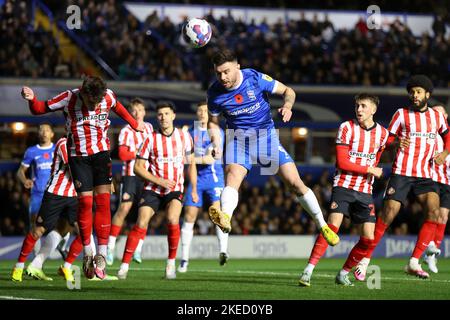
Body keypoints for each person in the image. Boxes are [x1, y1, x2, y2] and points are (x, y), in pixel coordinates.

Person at [205, 50, 339, 247]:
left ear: (237, 66)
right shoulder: (214, 93)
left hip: (265, 138)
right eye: (218, 73)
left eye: (226, 71)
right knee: (232, 177)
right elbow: (213, 122)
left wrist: (288, 106)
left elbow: (288, 91)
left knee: (295, 183)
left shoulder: (255, 78)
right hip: (238, 140)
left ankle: (322, 225)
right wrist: (216, 142)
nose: (222, 77)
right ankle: (225, 217)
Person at [21, 76, 144, 280]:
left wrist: (133, 124)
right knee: (86, 204)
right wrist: (32, 98)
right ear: (83, 93)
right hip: (78, 158)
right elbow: (40, 109)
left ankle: (102, 255)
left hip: (101, 155)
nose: (94, 106)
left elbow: (120, 108)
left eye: (97, 103)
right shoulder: (69, 97)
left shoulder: (108, 97)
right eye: (90, 102)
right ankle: (88, 253)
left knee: (103, 202)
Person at [354, 75, 450, 280]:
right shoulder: (401, 114)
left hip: (426, 174)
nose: (414, 95)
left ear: (427, 95)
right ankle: (364, 260)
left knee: (433, 211)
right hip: (402, 172)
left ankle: (414, 262)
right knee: (388, 214)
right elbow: (387, 138)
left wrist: (444, 153)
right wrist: (396, 141)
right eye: (412, 92)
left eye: (418, 92)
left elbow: (447, 134)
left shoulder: (436, 116)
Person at [298, 94, 389, 287]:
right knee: (332, 226)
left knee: (367, 239)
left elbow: (381, 152)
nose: (359, 109)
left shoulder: (382, 133)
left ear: (373, 110)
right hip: (344, 185)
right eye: (357, 106)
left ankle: (343, 273)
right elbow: (342, 162)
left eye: (364, 106)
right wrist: (369, 169)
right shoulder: (346, 128)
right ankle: (308, 270)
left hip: (365, 190)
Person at [117, 101, 197, 280]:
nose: (163, 118)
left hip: (175, 189)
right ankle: (124, 266)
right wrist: (158, 180)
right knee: (141, 222)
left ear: (173, 116)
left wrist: (194, 188)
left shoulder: (185, 137)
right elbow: (138, 167)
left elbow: (191, 164)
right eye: (160, 115)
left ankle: (170, 265)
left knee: (172, 219)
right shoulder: (150, 138)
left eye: (167, 114)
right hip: (152, 188)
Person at [12, 136, 78, 282]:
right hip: (55, 193)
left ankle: (63, 266)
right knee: (38, 230)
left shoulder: (86, 144)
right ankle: (19, 267)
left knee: (77, 231)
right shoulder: (63, 143)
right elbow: (74, 166)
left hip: (73, 195)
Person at [178, 101, 228, 273]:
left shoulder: (216, 132)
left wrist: (191, 159)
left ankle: (223, 251)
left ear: (209, 113)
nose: (201, 113)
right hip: (195, 180)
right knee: (189, 216)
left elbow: (209, 159)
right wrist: (190, 159)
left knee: (217, 214)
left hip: (214, 178)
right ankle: (184, 259)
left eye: (205, 111)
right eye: (199, 110)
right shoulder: (191, 133)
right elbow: (185, 159)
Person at [106, 98, 153, 266]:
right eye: (133, 110)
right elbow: (123, 155)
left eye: (140, 110)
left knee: (144, 213)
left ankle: (138, 249)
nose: (137, 113)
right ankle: (110, 248)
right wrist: (141, 152)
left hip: (147, 175)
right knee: (124, 208)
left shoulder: (149, 128)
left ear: (144, 112)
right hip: (130, 175)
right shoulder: (126, 130)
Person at [17, 122, 56, 255]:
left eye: (47, 130)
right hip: (38, 194)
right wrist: (25, 180)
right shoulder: (32, 151)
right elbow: (20, 171)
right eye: (41, 130)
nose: (44, 132)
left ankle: (63, 250)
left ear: (52, 134)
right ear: (38, 134)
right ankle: (35, 262)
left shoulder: (58, 149)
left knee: (62, 224)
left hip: (55, 193)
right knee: (34, 226)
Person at [422, 99, 449, 274]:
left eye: (439, 113)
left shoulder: (447, 135)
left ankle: (431, 256)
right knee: (436, 213)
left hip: (447, 180)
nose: (436, 116)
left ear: (445, 116)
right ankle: (427, 248)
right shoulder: (430, 134)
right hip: (433, 179)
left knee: (444, 217)